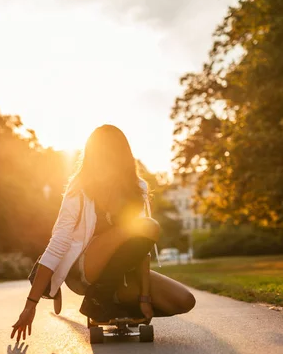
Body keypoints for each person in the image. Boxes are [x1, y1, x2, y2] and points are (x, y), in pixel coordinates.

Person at [11, 125, 196, 342]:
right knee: (147, 226)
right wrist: (30, 305)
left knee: (184, 300)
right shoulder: (78, 188)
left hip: (123, 273)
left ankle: (109, 300)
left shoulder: (138, 187)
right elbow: (59, 242)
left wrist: (145, 298)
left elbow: (143, 249)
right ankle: (99, 297)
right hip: (86, 271)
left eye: (113, 153)